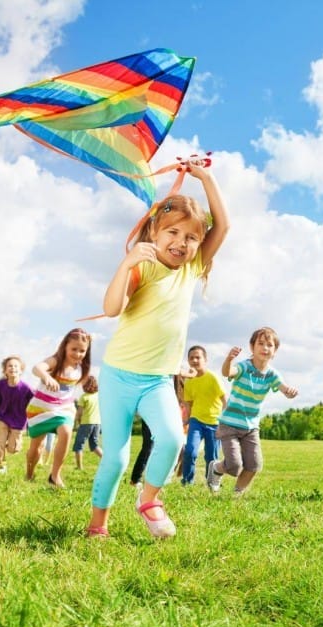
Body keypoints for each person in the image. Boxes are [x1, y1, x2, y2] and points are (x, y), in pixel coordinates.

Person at [87, 158, 229, 539]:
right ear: (154, 229)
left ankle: (148, 499)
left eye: (191, 236)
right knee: (114, 458)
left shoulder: (191, 268)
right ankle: (98, 524)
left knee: (172, 438)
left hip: (156, 382)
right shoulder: (143, 266)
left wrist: (206, 177)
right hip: (118, 375)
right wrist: (126, 265)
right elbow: (111, 308)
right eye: (173, 232)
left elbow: (224, 225)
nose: (181, 242)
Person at [206, 327, 298, 495]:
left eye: (269, 345)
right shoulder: (244, 367)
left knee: (254, 465)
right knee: (234, 466)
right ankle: (217, 468)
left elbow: (284, 389)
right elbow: (228, 372)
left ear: (274, 351)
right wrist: (229, 360)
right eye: (260, 344)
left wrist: (290, 392)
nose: (265, 348)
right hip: (230, 424)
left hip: (251, 427)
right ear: (252, 347)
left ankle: (236, 495)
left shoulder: (272, 375)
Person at [24, 328, 91, 489]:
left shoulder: (81, 368)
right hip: (41, 409)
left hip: (64, 409)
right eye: (74, 349)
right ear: (65, 346)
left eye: (82, 351)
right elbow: (36, 368)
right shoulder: (56, 361)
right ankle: (29, 473)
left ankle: (55, 476)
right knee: (36, 447)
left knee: (66, 432)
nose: (77, 354)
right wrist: (46, 376)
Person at [180, 345, 226, 485]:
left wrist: (223, 420)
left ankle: (211, 482)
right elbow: (188, 403)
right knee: (190, 451)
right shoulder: (188, 381)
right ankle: (187, 481)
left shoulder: (213, 377)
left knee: (211, 457)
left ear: (205, 360)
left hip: (214, 422)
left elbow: (224, 400)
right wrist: (186, 419)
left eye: (197, 357)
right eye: (191, 358)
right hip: (196, 421)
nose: (194, 360)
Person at [72, 374, 103, 469]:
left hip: (86, 423)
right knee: (94, 445)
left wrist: (77, 421)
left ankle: (79, 467)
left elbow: (79, 412)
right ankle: (106, 460)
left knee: (78, 445)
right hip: (97, 423)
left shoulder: (84, 397)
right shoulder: (98, 396)